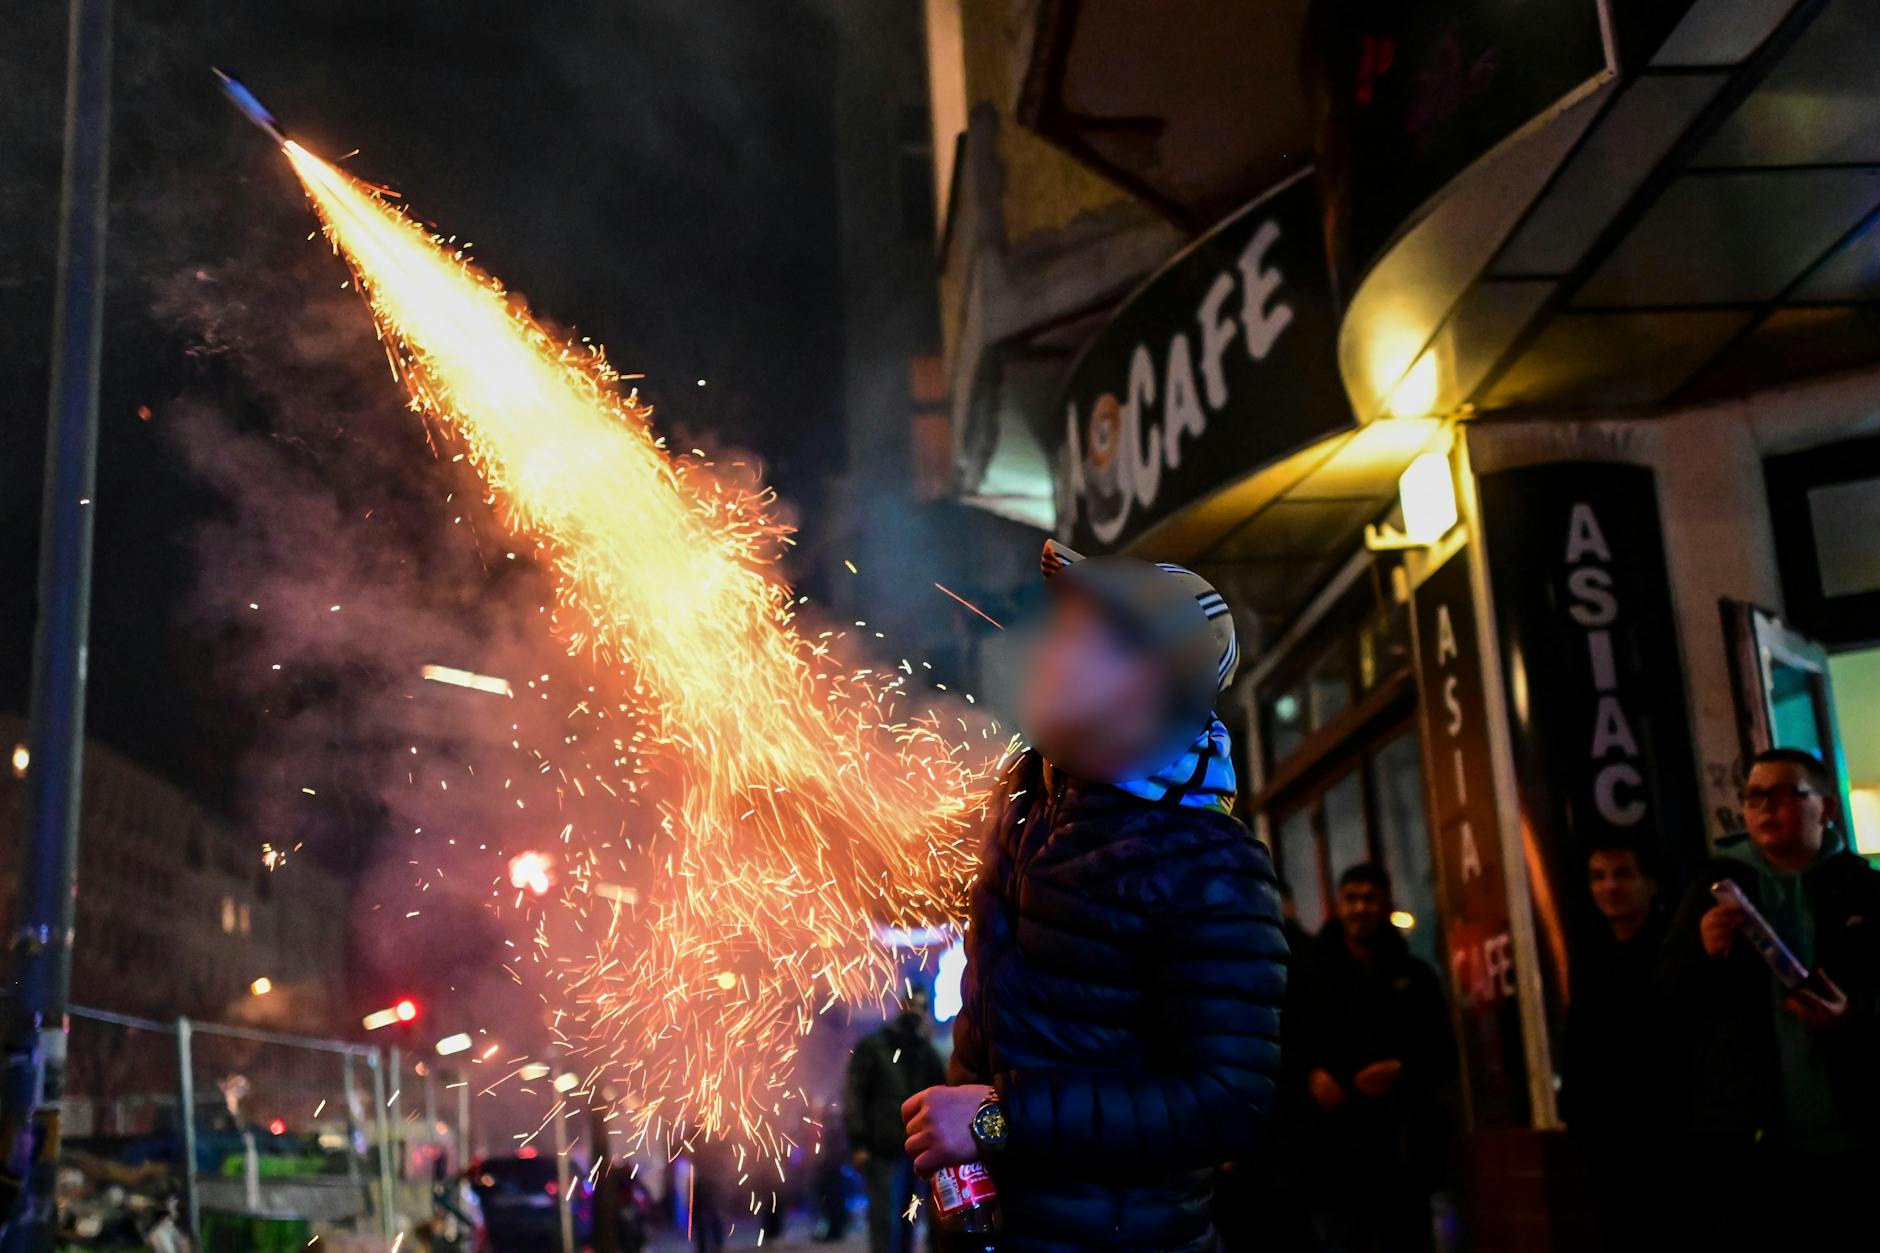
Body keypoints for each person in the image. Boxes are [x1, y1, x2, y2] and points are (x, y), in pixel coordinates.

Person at [899, 540, 1286, 1252]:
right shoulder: (1025, 802)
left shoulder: (1209, 863)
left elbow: (1229, 1101)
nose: (1048, 648)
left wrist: (996, 1116)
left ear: (1149, 680)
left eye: (1082, 637)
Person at [1659, 747, 1880, 1249]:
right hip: (1751, 1141)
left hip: (1855, 1129)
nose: (1763, 808)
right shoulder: (1714, 888)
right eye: (1753, 796)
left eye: (1781, 795)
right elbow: (1666, 997)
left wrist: (1853, 1016)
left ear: (1823, 807)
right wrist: (1702, 951)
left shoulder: (1864, 891)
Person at [1297, 862, 1453, 1253]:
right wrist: (1310, 1076)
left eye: (1369, 899)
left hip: (1402, 1152)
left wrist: (1402, 1070)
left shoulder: (1415, 977)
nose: (1360, 908)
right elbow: (1286, 1045)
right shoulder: (1308, 976)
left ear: (1385, 905)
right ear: (1339, 904)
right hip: (1333, 1155)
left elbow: (1444, 1053)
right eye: (1352, 899)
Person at [1561, 843, 1673, 1252]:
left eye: (1622, 874)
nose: (1610, 886)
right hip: (1608, 1137)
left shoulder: (1673, 948)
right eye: (1598, 876)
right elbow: (1580, 1039)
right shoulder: (1590, 956)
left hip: (1669, 1135)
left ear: (1650, 883)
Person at [845, 988, 947, 1253]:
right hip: (883, 1148)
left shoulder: (926, 1052)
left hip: (915, 1149)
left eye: (921, 1007)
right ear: (902, 1006)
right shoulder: (875, 1046)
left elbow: (941, 1092)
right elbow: (854, 1094)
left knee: (907, 1219)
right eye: (913, 1005)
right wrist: (858, 1142)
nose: (915, 1012)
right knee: (884, 1220)